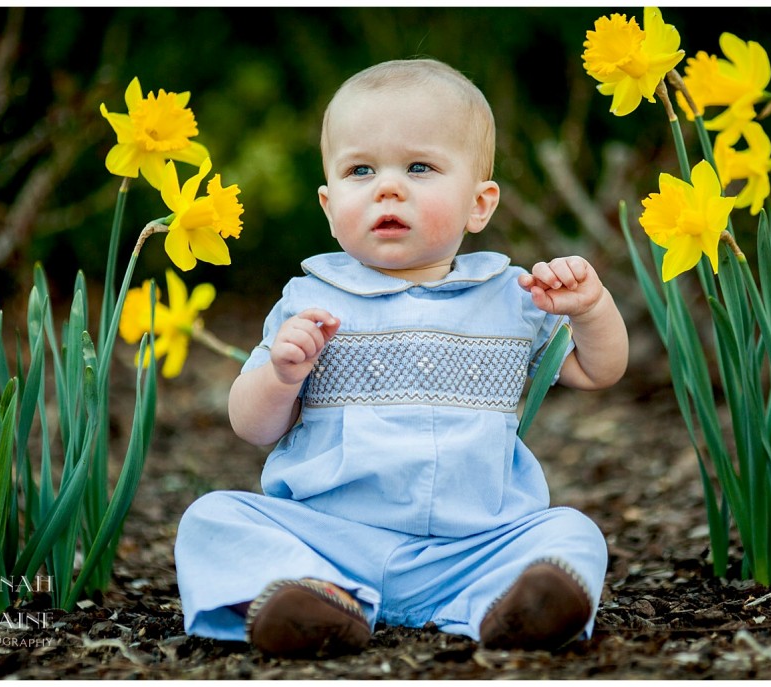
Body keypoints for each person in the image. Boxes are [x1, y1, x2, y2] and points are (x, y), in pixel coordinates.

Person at [175, 58, 628, 657]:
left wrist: (590, 309)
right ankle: (312, 599)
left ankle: (513, 604)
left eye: (420, 167)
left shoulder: (512, 297)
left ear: (479, 204)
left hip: (475, 545)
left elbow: (599, 370)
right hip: (328, 539)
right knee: (213, 517)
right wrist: (281, 375)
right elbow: (253, 427)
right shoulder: (307, 301)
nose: (388, 187)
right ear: (329, 204)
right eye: (360, 169)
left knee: (572, 533)